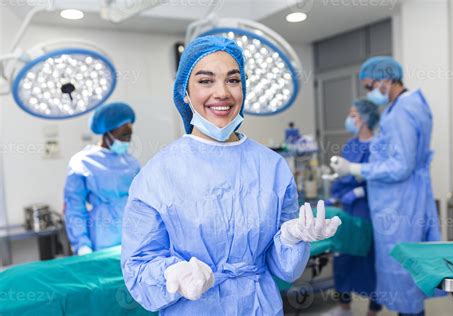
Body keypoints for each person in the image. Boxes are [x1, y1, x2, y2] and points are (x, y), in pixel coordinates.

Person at [121, 36, 342, 315]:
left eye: (233, 80)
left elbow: (283, 268)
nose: (222, 92)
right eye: (205, 81)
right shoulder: (159, 174)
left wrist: (290, 239)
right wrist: (171, 274)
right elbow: (138, 265)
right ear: (185, 93)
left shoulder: (272, 167)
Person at [330, 56, 440, 316]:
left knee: (403, 272)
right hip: (399, 200)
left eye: (370, 86)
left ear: (387, 79)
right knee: (403, 272)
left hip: (399, 203)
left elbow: (401, 166)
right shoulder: (402, 107)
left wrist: (356, 169)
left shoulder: (402, 111)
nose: (370, 93)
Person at [326, 99, 381, 316]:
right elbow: (342, 176)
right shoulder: (351, 145)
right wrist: (335, 195)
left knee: (369, 263)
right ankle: (344, 309)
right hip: (347, 213)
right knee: (343, 259)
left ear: (366, 119)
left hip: (369, 212)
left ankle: (372, 312)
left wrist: (360, 192)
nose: (350, 119)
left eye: (354, 115)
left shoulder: (379, 147)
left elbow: (383, 179)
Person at [64, 102, 140, 256]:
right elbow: (74, 208)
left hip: (134, 236)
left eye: (130, 135)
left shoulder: (132, 163)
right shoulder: (82, 162)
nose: (127, 141)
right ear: (108, 133)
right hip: (102, 237)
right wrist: (82, 244)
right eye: (123, 135)